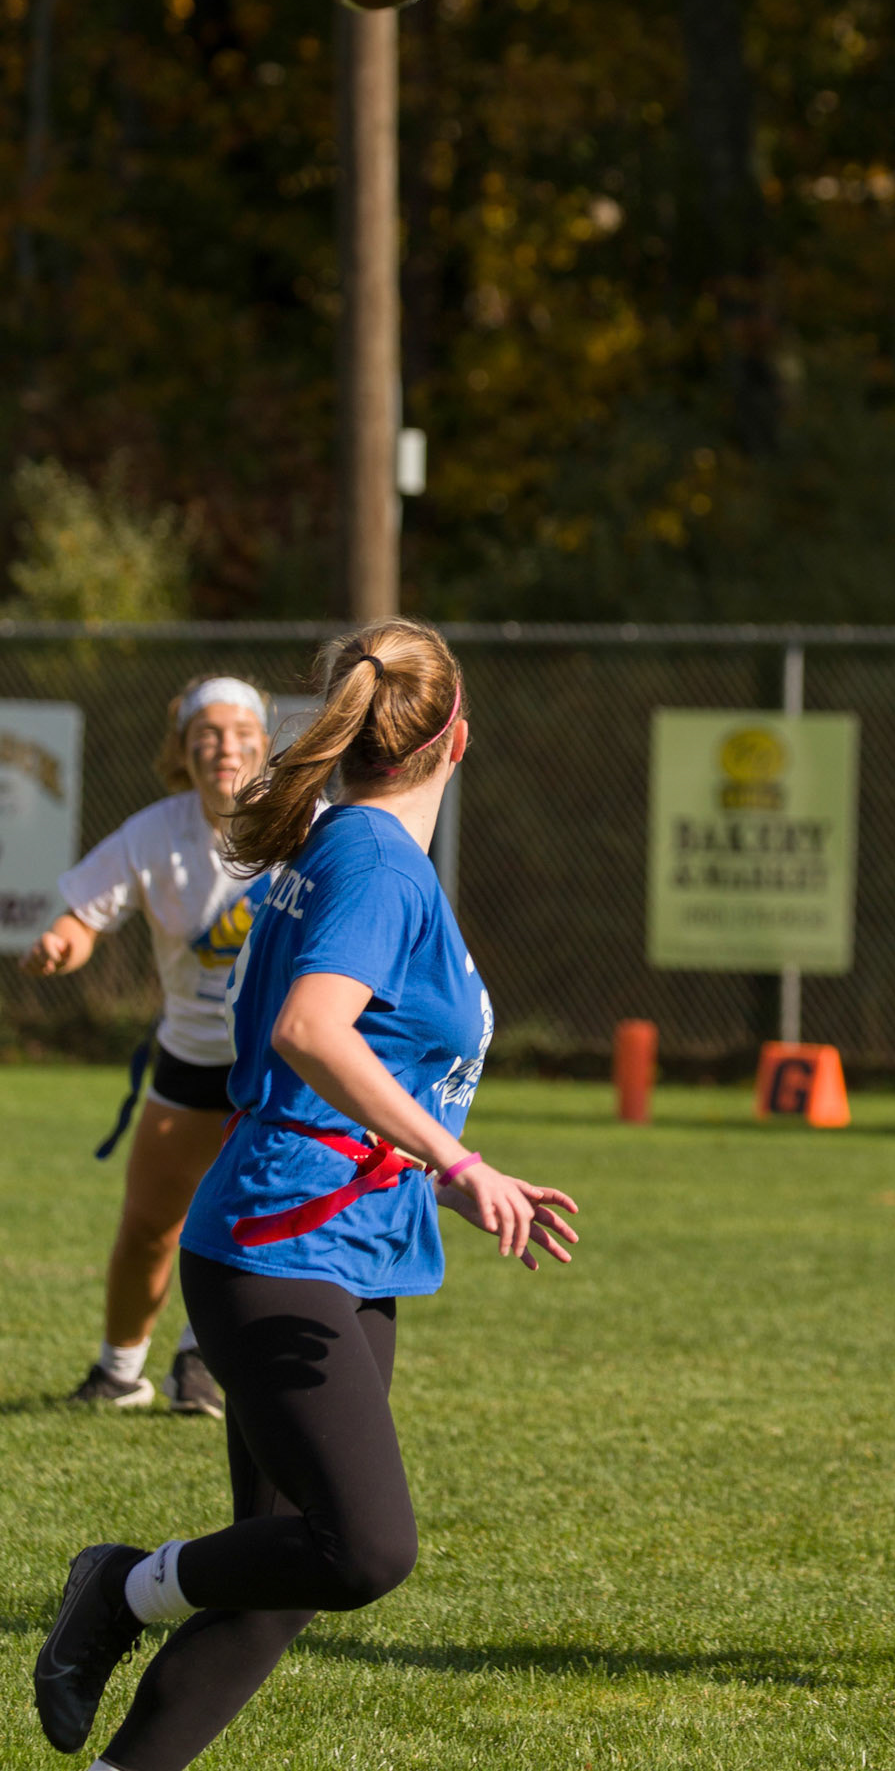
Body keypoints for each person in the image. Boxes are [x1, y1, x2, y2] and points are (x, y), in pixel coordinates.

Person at [32, 616, 580, 1770]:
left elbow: (343, 1058)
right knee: (366, 1548)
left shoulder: (340, 842)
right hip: (285, 1245)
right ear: (457, 738)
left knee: (285, 1571)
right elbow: (309, 1029)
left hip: (338, 1239)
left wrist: (434, 1169)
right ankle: (119, 1586)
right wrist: (461, 1162)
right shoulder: (375, 862)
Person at [21, 677, 276, 1416]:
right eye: (207, 734)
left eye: (241, 733)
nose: (225, 747)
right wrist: (59, 945)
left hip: (280, 1067)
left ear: (266, 745)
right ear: (181, 750)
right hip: (191, 1058)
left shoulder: (305, 824)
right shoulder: (154, 832)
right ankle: (118, 1373)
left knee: (247, 1227)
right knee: (148, 1226)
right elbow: (83, 917)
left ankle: (200, 1362)